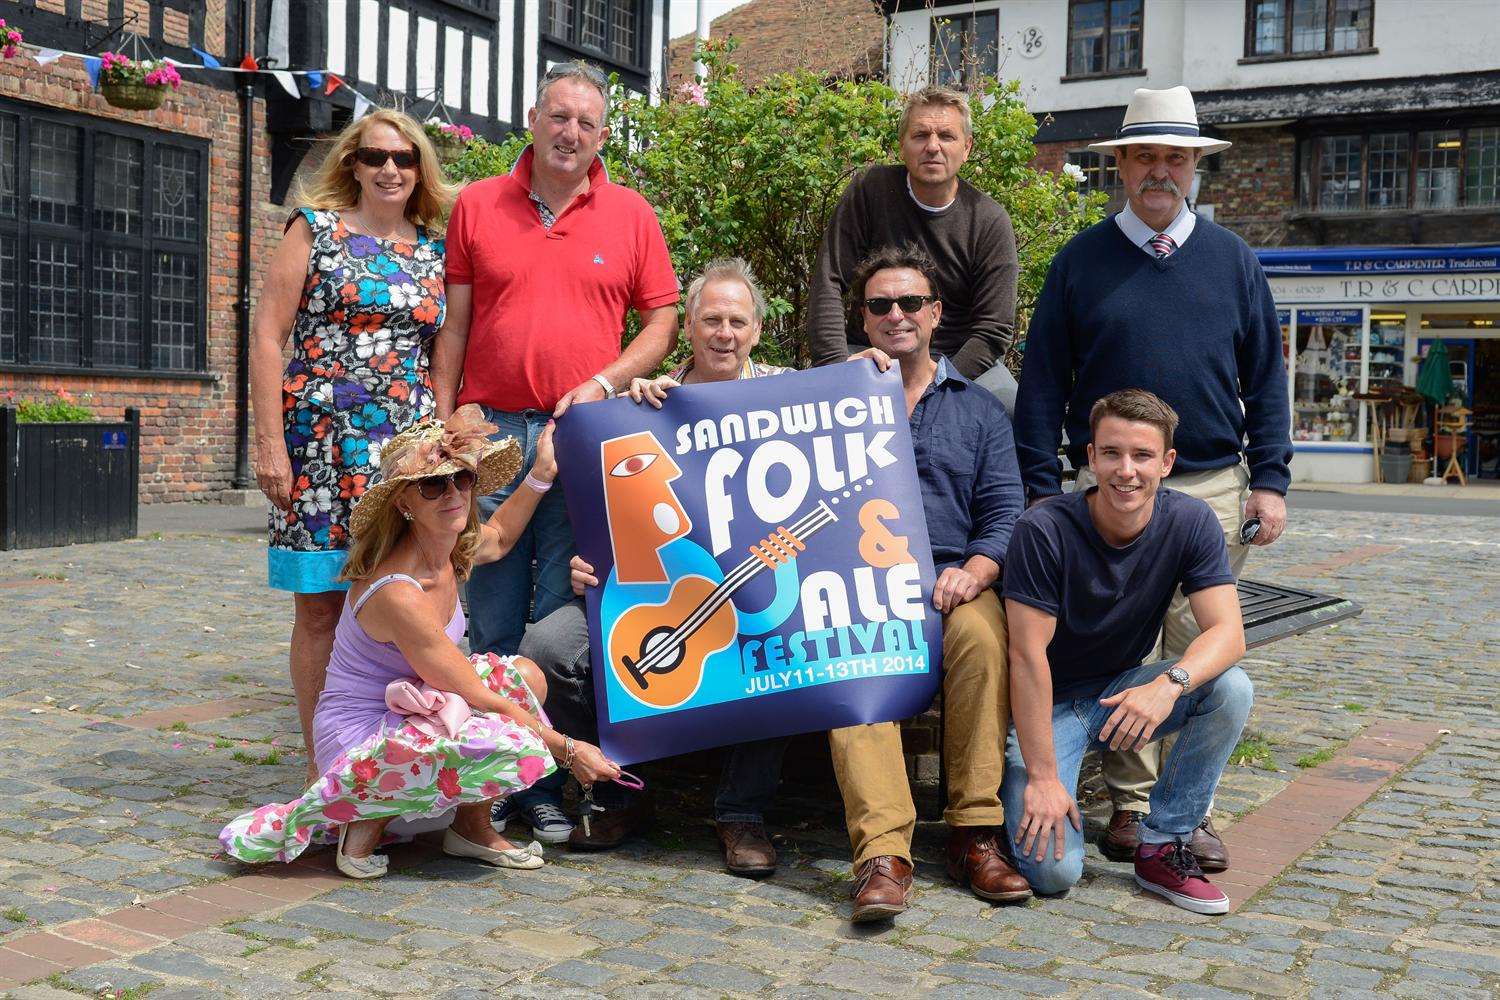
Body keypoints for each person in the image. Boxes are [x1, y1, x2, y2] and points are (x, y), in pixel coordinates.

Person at [521, 259, 888, 877]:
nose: (724, 332)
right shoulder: (649, 402)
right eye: (711, 320)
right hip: (647, 594)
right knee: (547, 644)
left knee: (782, 641)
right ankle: (619, 795)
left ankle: (740, 812)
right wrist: (594, 564)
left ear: (757, 331)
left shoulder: (785, 391)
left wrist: (861, 372)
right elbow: (605, 512)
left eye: (737, 321)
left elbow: (838, 417)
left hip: (745, 599)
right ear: (687, 327)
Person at [1012, 86, 1292, 871]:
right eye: (1145, 157)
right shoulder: (1082, 261)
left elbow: (1267, 379)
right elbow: (1040, 386)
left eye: (1176, 158)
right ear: (1122, 167)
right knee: (1119, 638)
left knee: (1196, 647)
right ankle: (1130, 809)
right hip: (1103, 489)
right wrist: (1042, 492)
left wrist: (1269, 480)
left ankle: (1181, 813)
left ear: (1195, 167)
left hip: (1206, 482)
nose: (1160, 171)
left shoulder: (1233, 259)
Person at [430, 61, 679, 842]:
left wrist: (607, 382)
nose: (570, 132)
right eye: (558, 116)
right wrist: (447, 423)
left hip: (586, 437)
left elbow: (662, 323)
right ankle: (496, 783)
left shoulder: (631, 213)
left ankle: (539, 781)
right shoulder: (477, 204)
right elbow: (456, 326)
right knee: (493, 609)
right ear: (532, 118)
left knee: (557, 619)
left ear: (603, 136)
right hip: (494, 431)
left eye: (586, 123)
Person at [221, 407, 621, 879]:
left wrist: (540, 474)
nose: (452, 493)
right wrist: (569, 750)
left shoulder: (446, 548)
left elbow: (500, 537)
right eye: (433, 485)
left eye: (462, 479)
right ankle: (364, 824)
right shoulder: (398, 590)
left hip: (421, 708)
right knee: (502, 732)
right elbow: (477, 696)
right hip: (361, 730)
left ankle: (470, 830)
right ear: (404, 503)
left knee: (526, 677)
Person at [250, 109, 454, 784]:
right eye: (374, 157)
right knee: (320, 608)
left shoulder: (434, 251)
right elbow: (268, 337)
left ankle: (392, 760)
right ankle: (322, 768)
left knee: (402, 602)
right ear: (353, 165)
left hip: (405, 460)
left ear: (420, 168)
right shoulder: (316, 230)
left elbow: (442, 356)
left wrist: (446, 441)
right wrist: (271, 445)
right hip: (321, 453)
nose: (389, 169)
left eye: (403, 158)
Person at [829, 245, 1030, 923]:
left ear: (936, 313)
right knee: (851, 668)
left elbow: (1005, 509)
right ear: (863, 316)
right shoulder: (830, 403)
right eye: (881, 304)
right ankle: (883, 856)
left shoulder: (979, 411)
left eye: (910, 302)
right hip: (857, 589)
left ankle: (975, 833)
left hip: (953, 582)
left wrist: (976, 568)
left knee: (981, 639)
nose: (896, 315)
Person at [1003, 390, 1251, 914]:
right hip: (1044, 710)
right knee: (1053, 873)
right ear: (1090, 457)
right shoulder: (1043, 529)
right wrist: (1045, 779)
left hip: (1120, 696)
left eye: (1142, 456)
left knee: (1229, 687)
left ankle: (1164, 842)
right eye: (1111, 453)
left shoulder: (1191, 521)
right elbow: (1027, 659)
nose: (1126, 471)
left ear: (1167, 463)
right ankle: (1039, 786)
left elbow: (1228, 633)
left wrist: (1168, 684)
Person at [808, 85, 1020, 410]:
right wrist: (838, 367)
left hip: (955, 359)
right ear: (902, 145)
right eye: (920, 135)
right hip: (868, 349)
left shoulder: (989, 220)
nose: (932, 147)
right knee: (815, 403)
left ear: (967, 147)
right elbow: (829, 280)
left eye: (946, 136)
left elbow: (993, 327)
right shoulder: (870, 192)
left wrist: (940, 384)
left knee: (1007, 402)